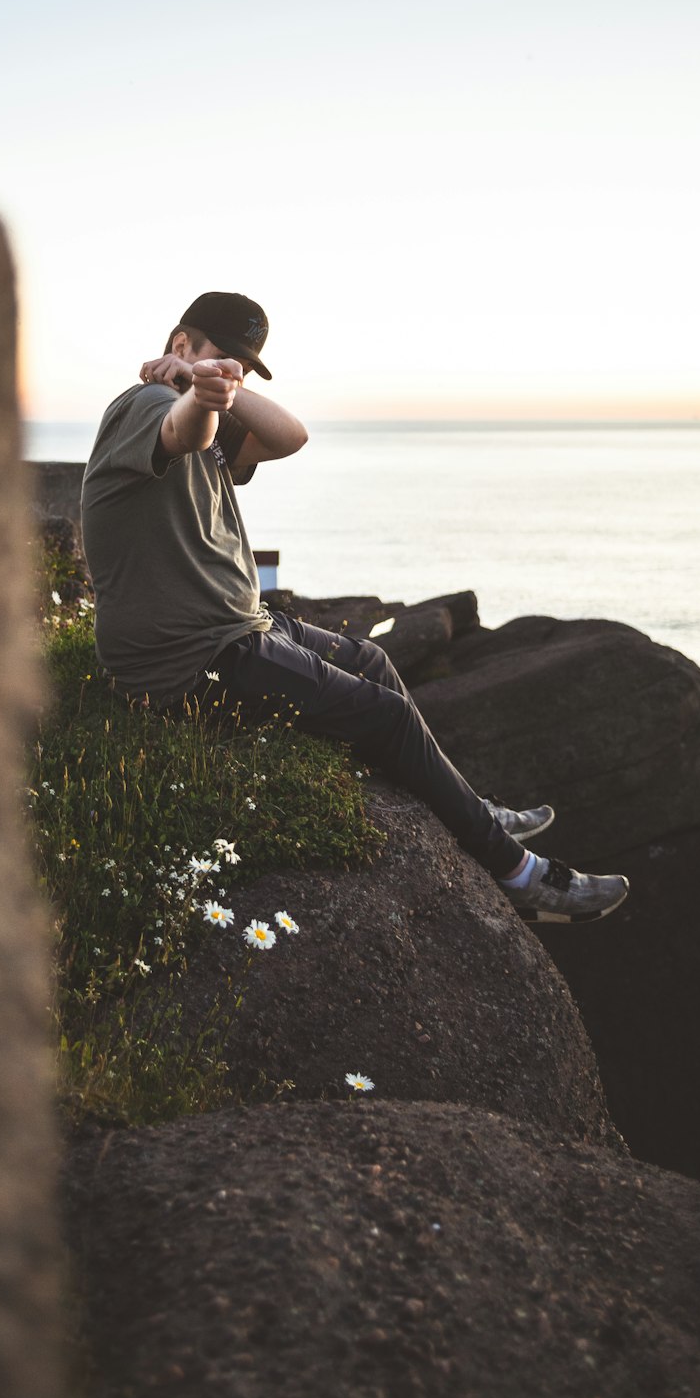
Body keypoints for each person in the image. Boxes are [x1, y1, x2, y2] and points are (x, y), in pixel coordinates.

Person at [81, 291, 629, 924]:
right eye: (217, 356)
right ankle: (522, 876)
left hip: (233, 622)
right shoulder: (148, 407)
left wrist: (213, 380)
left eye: (241, 365)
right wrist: (196, 391)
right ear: (179, 341)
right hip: (186, 660)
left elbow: (291, 437)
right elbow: (184, 430)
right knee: (387, 716)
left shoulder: (207, 402)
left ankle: (470, 809)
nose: (228, 373)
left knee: (372, 658)